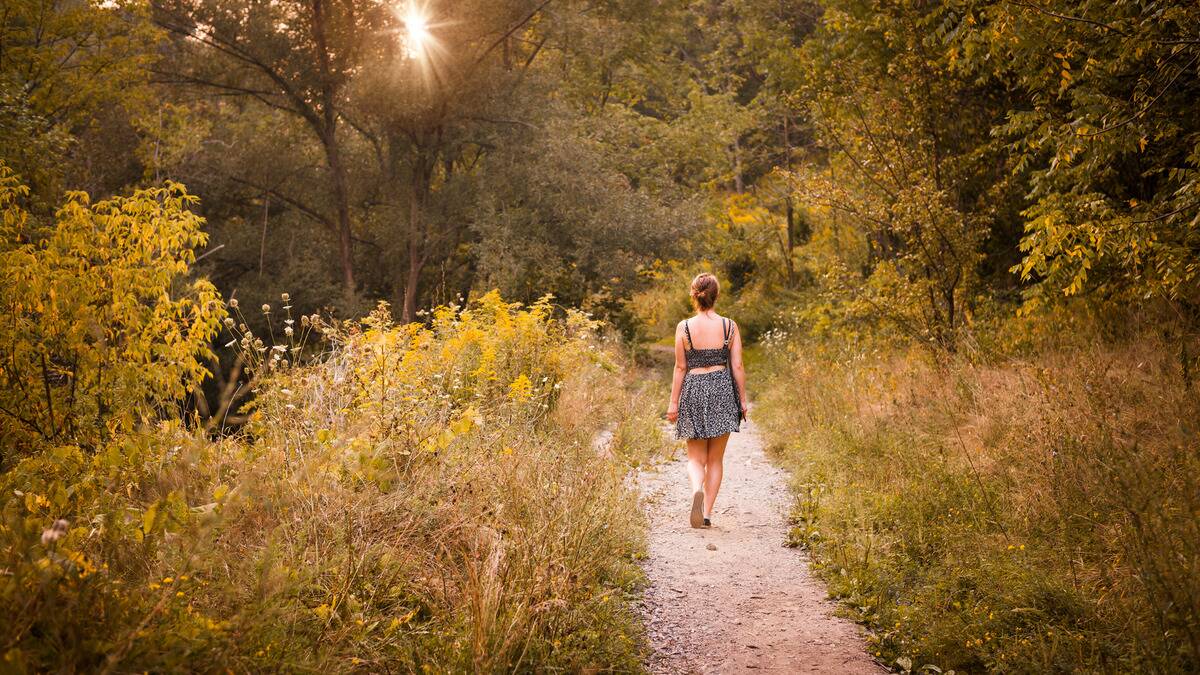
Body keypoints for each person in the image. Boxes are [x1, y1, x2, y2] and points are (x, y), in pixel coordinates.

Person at [666, 272, 749, 528]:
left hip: (693, 387)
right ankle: (707, 513)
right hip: (722, 388)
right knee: (716, 459)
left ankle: (695, 491)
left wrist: (673, 404)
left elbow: (680, 368)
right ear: (716, 295)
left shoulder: (684, 327)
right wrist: (743, 401)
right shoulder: (729, 326)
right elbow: (737, 365)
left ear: (694, 295)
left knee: (695, 457)